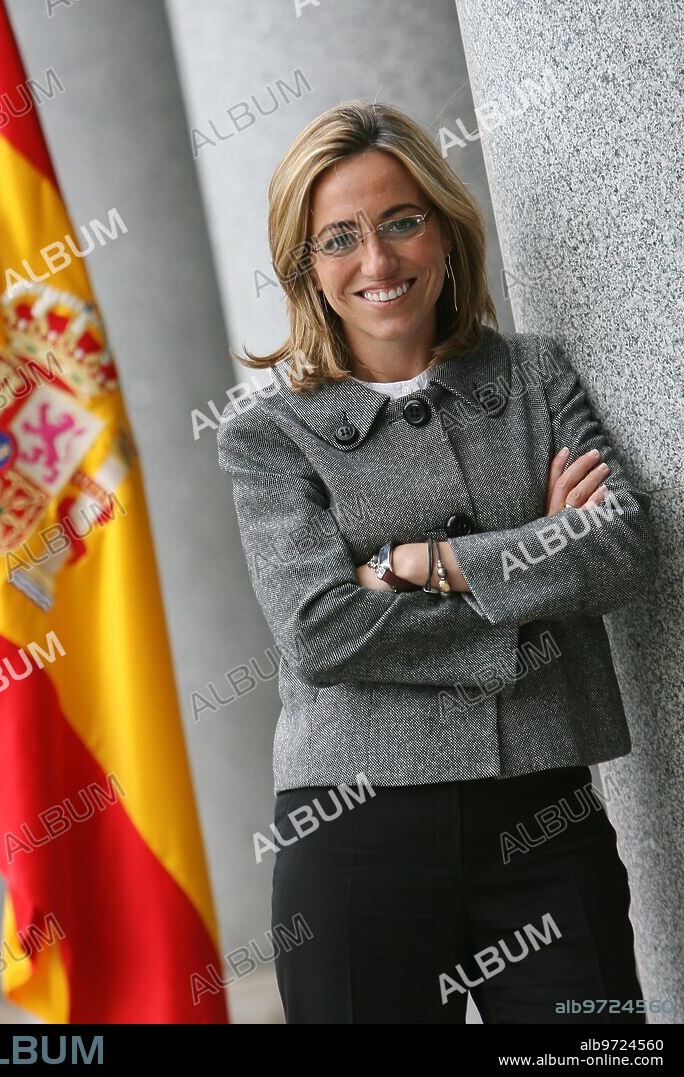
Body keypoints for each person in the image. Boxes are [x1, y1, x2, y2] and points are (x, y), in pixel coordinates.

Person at [216, 101, 656, 1024]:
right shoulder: (267, 436)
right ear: (305, 270)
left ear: (447, 231)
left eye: (401, 222)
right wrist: (536, 559)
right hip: (352, 836)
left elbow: (619, 548)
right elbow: (322, 631)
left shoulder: (536, 376)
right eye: (338, 238)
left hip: (547, 821)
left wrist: (424, 562)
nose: (376, 263)